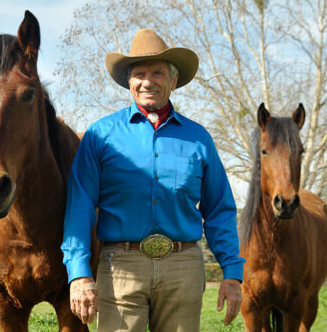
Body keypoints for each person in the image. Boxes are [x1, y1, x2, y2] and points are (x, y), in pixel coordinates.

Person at [61, 28, 244, 332]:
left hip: (183, 267)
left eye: (157, 72)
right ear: (129, 82)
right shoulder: (100, 136)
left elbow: (219, 209)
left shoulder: (199, 140)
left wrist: (232, 272)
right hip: (120, 264)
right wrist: (79, 273)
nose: (147, 81)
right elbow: (79, 205)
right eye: (139, 73)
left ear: (173, 80)